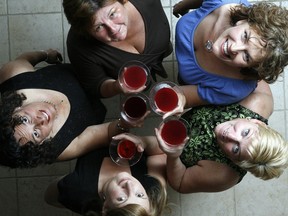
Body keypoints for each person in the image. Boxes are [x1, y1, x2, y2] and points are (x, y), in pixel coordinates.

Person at [0, 50, 144, 168]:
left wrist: (45, 54)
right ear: (41, 144)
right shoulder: (59, 148)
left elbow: (26, 58)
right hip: (95, 104)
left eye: (25, 120)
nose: (40, 121)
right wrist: (125, 123)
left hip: (82, 71)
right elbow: (106, 133)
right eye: (36, 134)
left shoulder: (15, 76)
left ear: (13, 109)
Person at [155, 80, 288, 193]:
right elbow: (245, 70)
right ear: (257, 122)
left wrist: (173, 156)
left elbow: (180, 183)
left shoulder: (223, 176)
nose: (230, 135)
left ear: (237, 162)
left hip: (173, 151)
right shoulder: (258, 100)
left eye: (236, 149)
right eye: (245, 133)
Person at [172, 0, 288, 107]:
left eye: (247, 56)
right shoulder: (225, 2)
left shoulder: (233, 89)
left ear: (251, 67)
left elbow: (185, 96)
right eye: (245, 36)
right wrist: (183, 5)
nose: (234, 48)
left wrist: (179, 99)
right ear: (243, 21)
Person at [62, 0, 172, 104]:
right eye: (98, 27)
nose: (114, 30)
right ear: (86, 32)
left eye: (112, 14)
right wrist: (116, 86)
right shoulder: (78, 46)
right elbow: (96, 85)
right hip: (135, 78)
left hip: (162, 51)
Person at [44, 133, 168, 216]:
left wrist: (69, 184)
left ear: (106, 207)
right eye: (140, 195)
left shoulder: (77, 187)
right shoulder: (152, 189)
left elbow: (50, 198)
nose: (130, 185)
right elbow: (159, 152)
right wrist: (144, 142)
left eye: (121, 199)